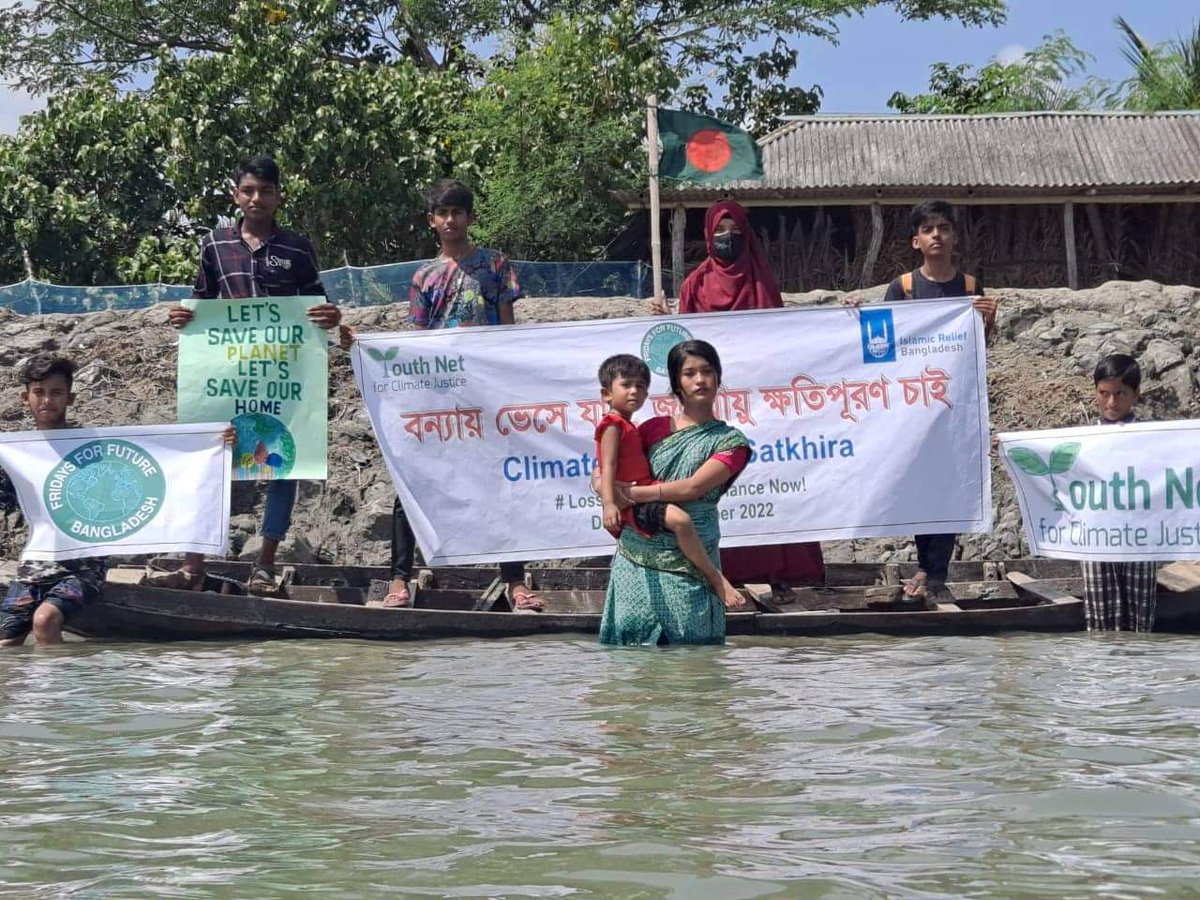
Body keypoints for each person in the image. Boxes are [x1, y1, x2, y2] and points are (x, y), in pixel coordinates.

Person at [341, 178, 541, 611]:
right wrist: (365, 349)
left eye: (458, 212)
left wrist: (510, 382)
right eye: (442, 213)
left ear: (470, 217)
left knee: (503, 480)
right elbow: (418, 343)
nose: (451, 221)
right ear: (431, 221)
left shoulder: (495, 265)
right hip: (436, 397)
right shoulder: (425, 276)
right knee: (413, 482)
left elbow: (507, 330)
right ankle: (399, 579)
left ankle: (515, 581)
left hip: (486, 395)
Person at [162, 155, 341, 594]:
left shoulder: (297, 248)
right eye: (248, 191)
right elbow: (201, 300)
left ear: (279, 196)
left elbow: (317, 303)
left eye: (265, 190)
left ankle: (264, 564)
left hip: (282, 376)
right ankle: (193, 566)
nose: (256, 198)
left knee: (283, 464)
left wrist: (330, 315)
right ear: (235, 195)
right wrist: (183, 317)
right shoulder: (214, 245)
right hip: (226, 376)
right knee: (212, 462)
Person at [650, 199, 825, 588]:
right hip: (710, 407)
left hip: (762, 408)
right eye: (719, 232)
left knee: (770, 475)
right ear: (708, 237)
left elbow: (783, 343)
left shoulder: (761, 280)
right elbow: (686, 349)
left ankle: (786, 572)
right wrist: (666, 321)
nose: (727, 238)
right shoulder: (695, 284)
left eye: (734, 231)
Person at [849, 200, 999, 603]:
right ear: (915, 241)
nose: (937, 235)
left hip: (955, 405)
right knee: (922, 482)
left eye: (944, 228)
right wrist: (855, 316)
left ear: (954, 237)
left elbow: (978, 348)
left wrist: (988, 319)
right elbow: (881, 342)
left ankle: (935, 572)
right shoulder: (904, 288)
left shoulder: (970, 288)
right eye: (928, 229)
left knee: (948, 484)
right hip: (913, 405)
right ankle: (924, 566)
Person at [599, 340, 751, 646]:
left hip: (691, 557)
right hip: (638, 551)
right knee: (630, 659)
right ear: (676, 384)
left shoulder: (731, 442)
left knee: (694, 658)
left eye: (707, 371)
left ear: (718, 378)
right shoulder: (651, 428)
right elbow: (606, 467)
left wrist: (630, 493)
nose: (700, 380)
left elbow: (692, 488)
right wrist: (605, 489)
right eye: (689, 373)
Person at [0, 356, 104, 646]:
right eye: (39, 392)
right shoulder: (15, 453)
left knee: (44, 622)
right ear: (25, 397)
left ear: (70, 398)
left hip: (83, 566)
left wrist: (212, 442)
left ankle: (59, 692)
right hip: (35, 564)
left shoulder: (92, 446)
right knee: (5, 647)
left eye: (56, 393)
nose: (47, 400)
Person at [1083, 354, 1156, 632]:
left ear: (1135, 394)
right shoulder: (1083, 440)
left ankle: (1139, 670)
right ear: (1096, 392)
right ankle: (1104, 673)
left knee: (1141, 616)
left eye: (1120, 394)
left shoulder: (1155, 438)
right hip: (1097, 537)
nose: (1111, 403)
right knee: (1100, 616)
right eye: (1104, 394)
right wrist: (1009, 446)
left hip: (1141, 535)